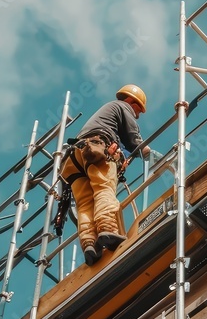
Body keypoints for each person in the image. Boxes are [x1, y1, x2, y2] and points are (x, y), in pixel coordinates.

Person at [61, 84, 152, 266]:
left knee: (85, 203)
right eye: (138, 110)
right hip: (97, 149)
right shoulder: (122, 107)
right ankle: (107, 230)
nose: (137, 115)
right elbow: (132, 136)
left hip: (74, 159)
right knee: (104, 190)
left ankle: (89, 243)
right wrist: (145, 150)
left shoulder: (105, 113)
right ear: (130, 101)